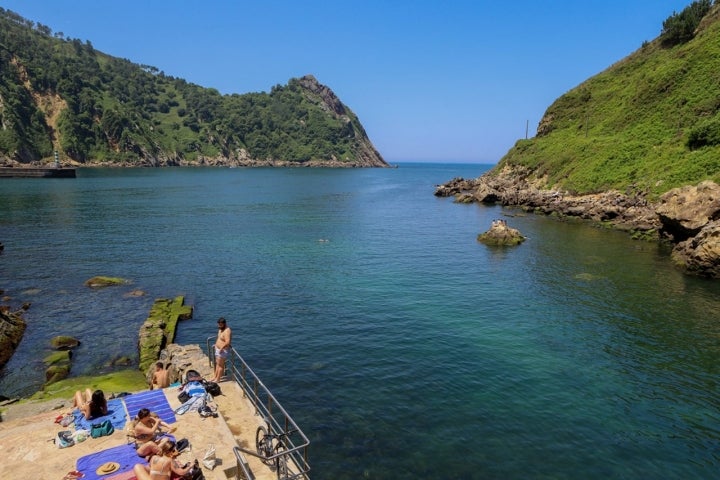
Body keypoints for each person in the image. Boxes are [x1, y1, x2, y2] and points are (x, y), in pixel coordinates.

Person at [210, 317, 232, 382]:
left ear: (224, 324)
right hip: (217, 349)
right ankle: (215, 377)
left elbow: (227, 342)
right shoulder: (220, 329)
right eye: (219, 325)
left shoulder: (227, 331)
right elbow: (219, 338)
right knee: (217, 364)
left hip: (222, 351)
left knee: (221, 365)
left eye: (221, 325)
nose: (219, 326)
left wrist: (221, 348)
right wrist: (216, 345)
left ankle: (218, 379)